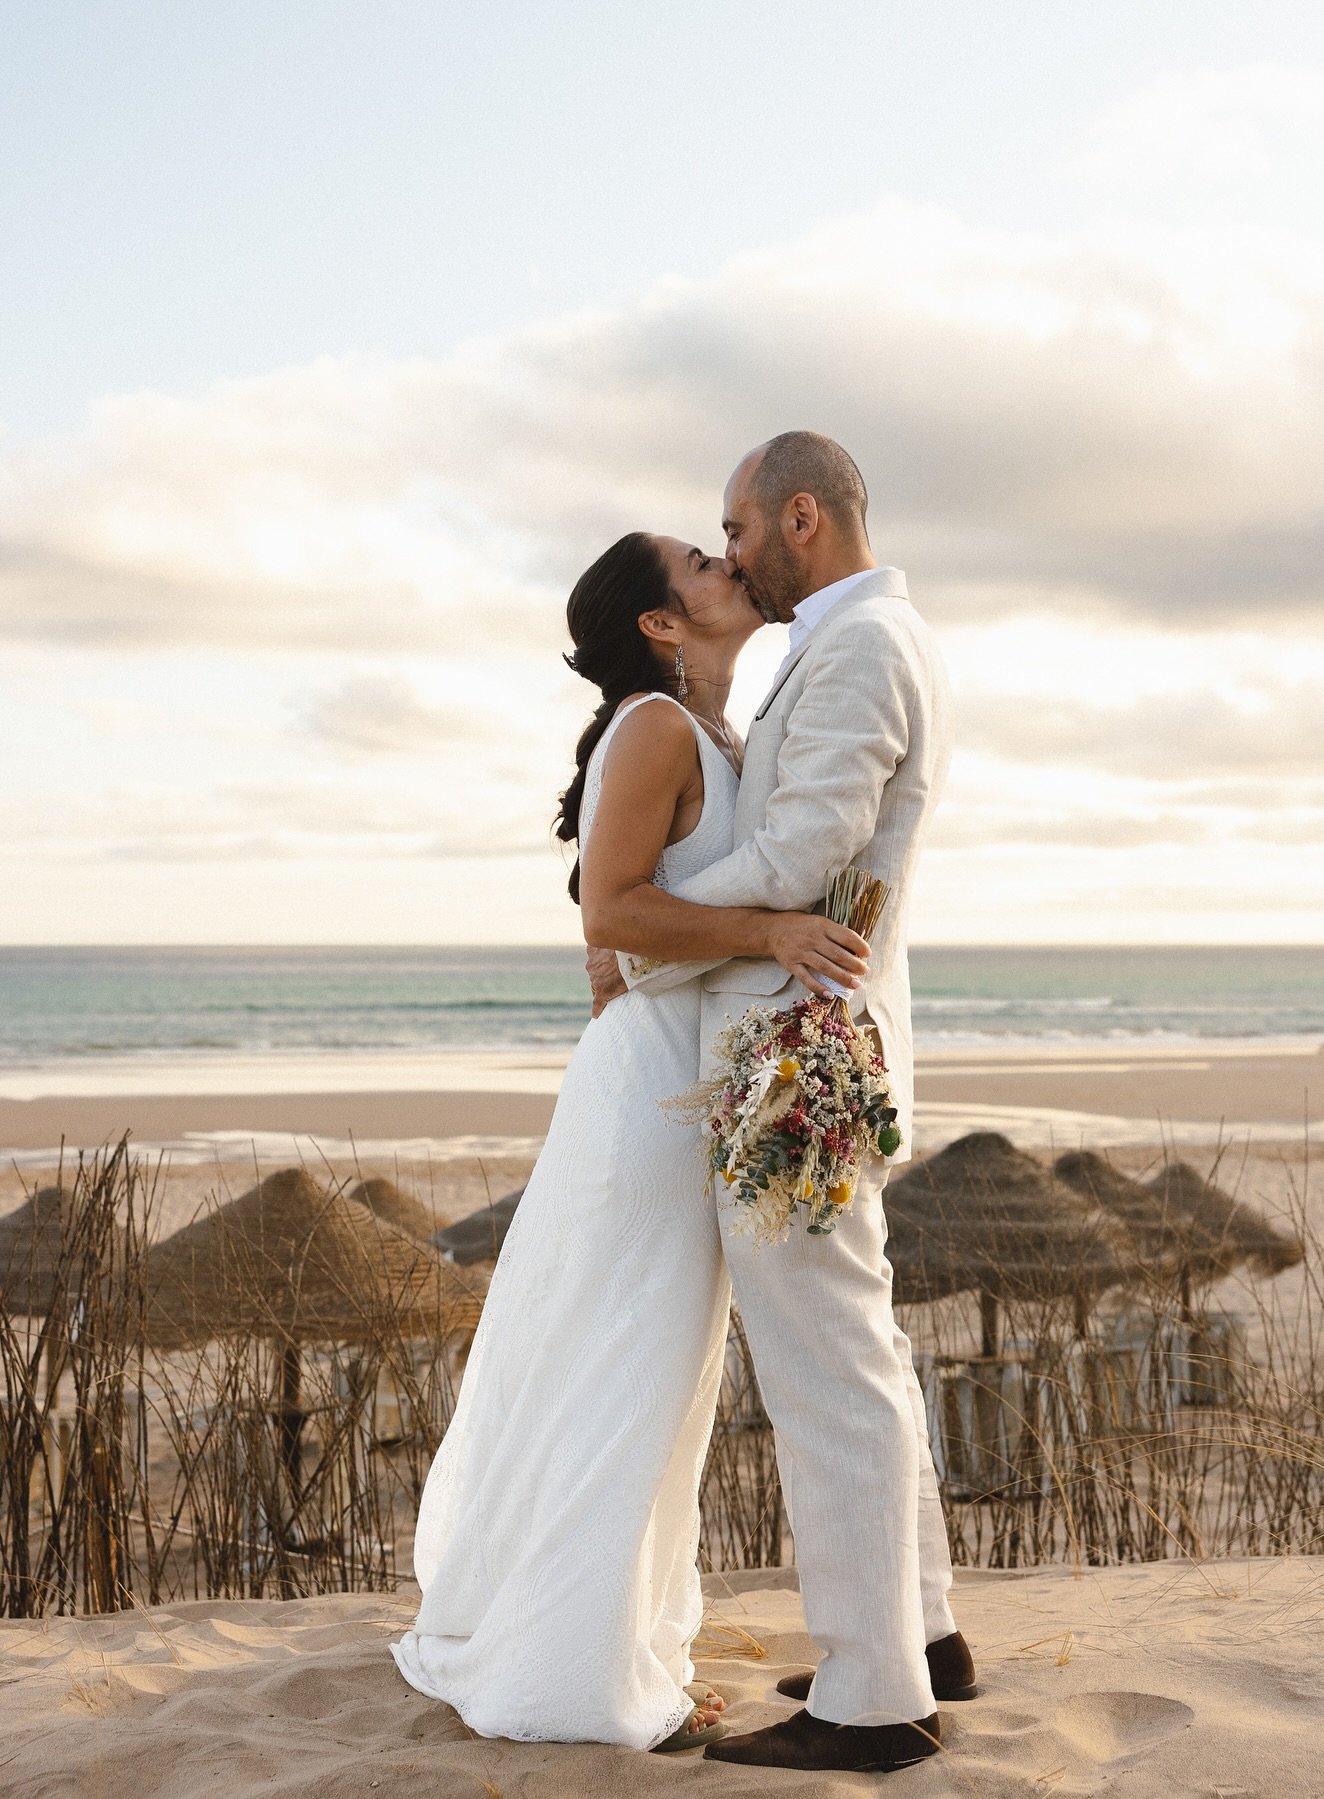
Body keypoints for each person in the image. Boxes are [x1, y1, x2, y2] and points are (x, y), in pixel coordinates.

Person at [388, 529, 869, 1753]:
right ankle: (576, 1669)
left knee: (658, 1369)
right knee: (632, 1366)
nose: (728, 562)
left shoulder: (704, 729)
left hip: (675, 1072)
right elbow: (612, 907)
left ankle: (620, 1640)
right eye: (702, 561)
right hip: (651, 1090)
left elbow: (627, 916)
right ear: (660, 622)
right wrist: (772, 933)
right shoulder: (656, 726)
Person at [586, 431, 974, 1774]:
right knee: (863, 1350)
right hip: (808, 1041)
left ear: (800, 516)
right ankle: (923, 1632)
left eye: (738, 528)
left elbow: (808, 848)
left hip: (795, 1055)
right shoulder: (857, 637)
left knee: (829, 1372)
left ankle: (874, 1698)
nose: (732, 551)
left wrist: (638, 930)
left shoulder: (862, 645)